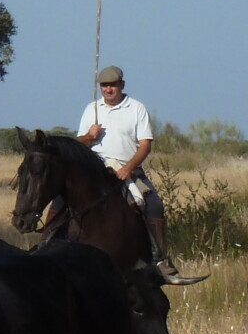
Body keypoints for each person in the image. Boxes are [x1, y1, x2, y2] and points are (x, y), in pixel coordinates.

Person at [76, 66, 183, 281]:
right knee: (62, 196)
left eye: (112, 85)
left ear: (121, 85)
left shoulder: (136, 108)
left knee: (153, 204)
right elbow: (79, 144)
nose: (108, 89)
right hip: (96, 169)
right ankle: (48, 243)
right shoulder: (92, 109)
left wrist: (129, 168)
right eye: (104, 86)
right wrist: (89, 135)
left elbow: (145, 145)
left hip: (127, 169)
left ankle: (159, 258)